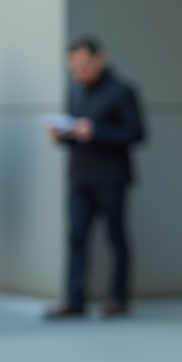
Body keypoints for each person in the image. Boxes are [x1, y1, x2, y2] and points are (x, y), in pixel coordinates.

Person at [46, 36, 145, 318]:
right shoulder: (75, 91)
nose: (79, 73)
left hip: (111, 178)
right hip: (80, 177)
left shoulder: (121, 91)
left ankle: (118, 297)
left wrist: (96, 131)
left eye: (83, 66)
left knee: (115, 237)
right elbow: (76, 132)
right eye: (73, 68)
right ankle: (74, 298)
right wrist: (62, 136)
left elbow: (136, 133)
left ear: (99, 59)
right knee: (76, 236)